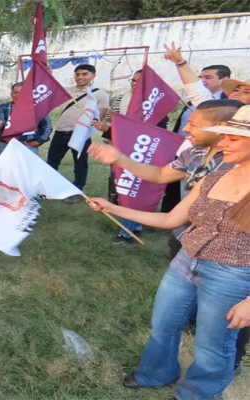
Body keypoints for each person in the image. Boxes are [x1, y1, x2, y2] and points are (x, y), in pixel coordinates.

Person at [86, 105, 250, 400]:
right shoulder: (213, 178)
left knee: (212, 345)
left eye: (233, 138)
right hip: (185, 262)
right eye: (224, 135)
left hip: (232, 275)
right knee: (163, 325)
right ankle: (156, 373)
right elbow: (170, 219)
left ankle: (195, 394)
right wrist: (112, 208)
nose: (224, 142)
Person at [89, 100, 243, 247]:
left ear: (219, 127)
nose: (185, 128)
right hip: (185, 236)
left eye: (193, 124)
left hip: (224, 248)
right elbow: (160, 175)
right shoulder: (195, 152)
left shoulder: (240, 165)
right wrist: (120, 159)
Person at [92, 69, 169, 244]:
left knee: (131, 191)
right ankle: (134, 226)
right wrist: (107, 129)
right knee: (123, 190)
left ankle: (127, 232)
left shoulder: (155, 107)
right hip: (120, 151)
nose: (135, 84)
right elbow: (115, 123)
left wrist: (110, 130)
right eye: (133, 80)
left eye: (139, 81)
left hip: (141, 154)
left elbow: (150, 133)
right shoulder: (122, 98)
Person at [47, 64, 110, 204]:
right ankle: (49, 189)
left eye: (84, 74)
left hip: (81, 135)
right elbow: (48, 90)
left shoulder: (100, 94)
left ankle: (76, 191)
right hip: (61, 132)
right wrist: (48, 75)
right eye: (77, 74)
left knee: (80, 165)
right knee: (51, 163)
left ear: (93, 75)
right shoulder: (65, 91)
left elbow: (99, 117)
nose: (80, 77)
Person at [164, 43, 250, 107]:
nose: (237, 94)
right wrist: (180, 62)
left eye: (246, 92)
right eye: (236, 90)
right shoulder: (218, 109)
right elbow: (196, 91)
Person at [0, 82, 52, 159]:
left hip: (28, 146)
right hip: (5, 146)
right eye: (15, 92)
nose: (18, 95)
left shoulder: (38, 108)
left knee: (28, 167)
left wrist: (39, 141)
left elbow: (47, 127)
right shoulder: (1, 108)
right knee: (3, 167)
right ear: (11, 94)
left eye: (22, 93)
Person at [173, 65, 231, 134]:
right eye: (200, 78)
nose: (202, 81)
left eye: (208, 77)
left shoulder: (229, 104)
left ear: (224, 79)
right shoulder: (191, 102)